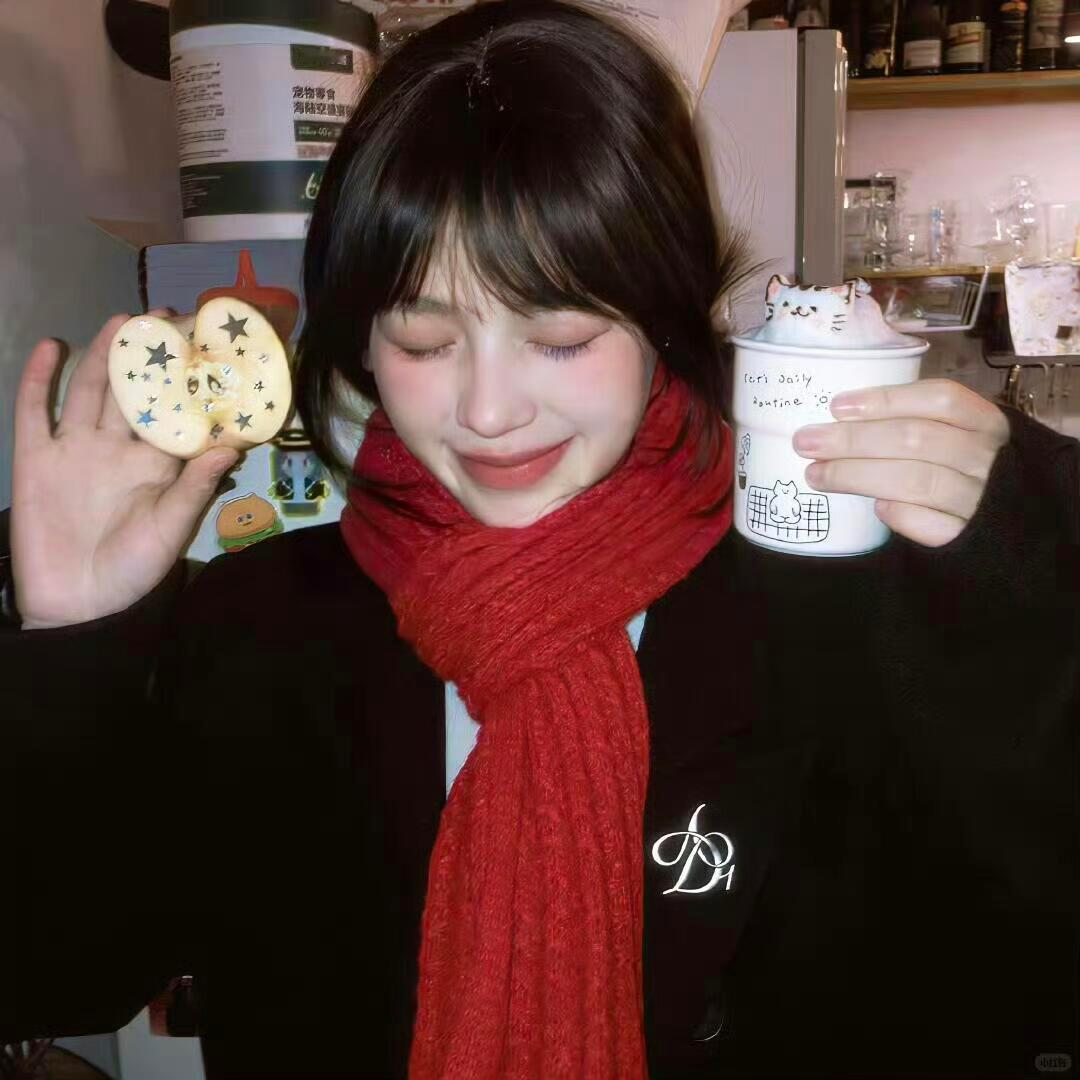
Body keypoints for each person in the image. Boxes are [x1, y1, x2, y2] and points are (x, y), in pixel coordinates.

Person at [3, 2, 1078, 1078]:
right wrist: (75, 638)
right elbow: (59, 970)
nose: (488, 410)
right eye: (424, 338)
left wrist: (1022, 561)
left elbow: (1032, 947)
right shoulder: (261, 622)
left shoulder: (835, 603)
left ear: (663, 318)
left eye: (559, 336)